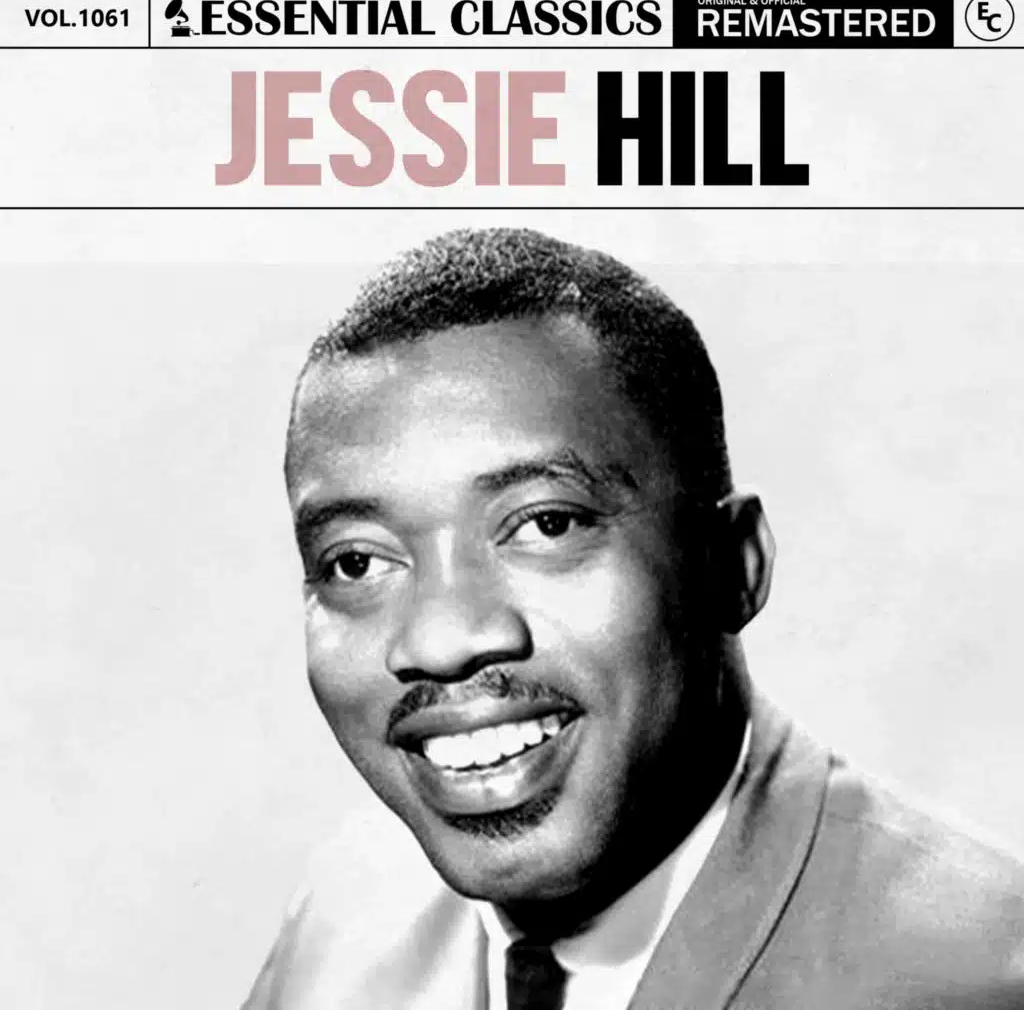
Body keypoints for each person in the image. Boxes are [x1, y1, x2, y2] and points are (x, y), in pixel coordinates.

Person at [243, 228, 1024, 1010]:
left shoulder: (982, 975)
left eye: (547, 524)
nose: (442, 641)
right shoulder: (342, 925)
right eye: (355, 562)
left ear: (733, 566)